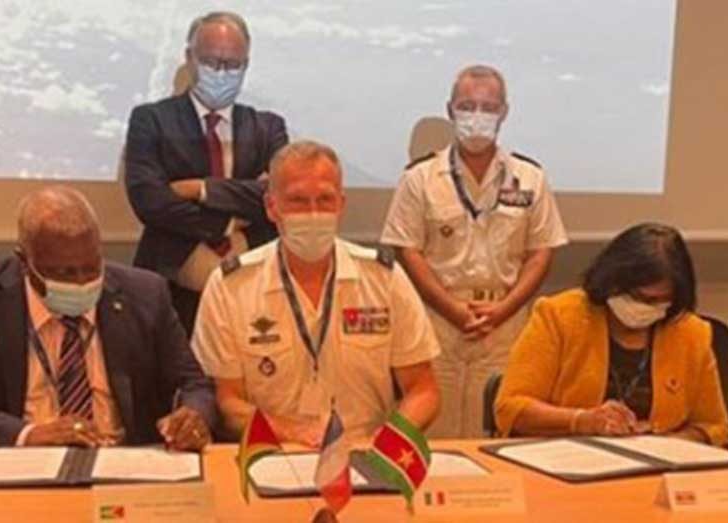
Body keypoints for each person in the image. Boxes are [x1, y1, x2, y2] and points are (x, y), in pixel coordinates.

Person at [0, 187, 216, 521]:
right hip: (11, 463)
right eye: (64, 273)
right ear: (24, 260)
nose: (82, 282)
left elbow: (194, 383)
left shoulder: (146, 292)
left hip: (124, 466)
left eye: (92, 267)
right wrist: (27, 433)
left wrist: (194, 414)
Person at [194, 141, 440, 446]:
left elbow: (423, 390)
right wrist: (294, 434)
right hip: (273, 456)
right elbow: (228, 403)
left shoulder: (384, 278)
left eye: (324, 200)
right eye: (297, 201)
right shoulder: (231, 286)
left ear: (341, 204)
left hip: (365, 455)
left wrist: (387, 443)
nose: (313, 213)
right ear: (272, 207)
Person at [381, 64, 568, 438]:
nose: (477, 117)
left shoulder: (530, 177)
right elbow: (408, 250)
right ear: (451, 110)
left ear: (505, 112)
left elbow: (541, 251)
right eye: (467, 106)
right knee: (434, 432)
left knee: (497, 431)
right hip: (437, 320)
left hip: (506, 321)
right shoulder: (419, 178)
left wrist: (503, 310)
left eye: (488, 107)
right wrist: (452, 309)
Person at [125, 11, 288, 335]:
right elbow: (150, 201)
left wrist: (201, 190)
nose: (222, 73)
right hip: (172, 286)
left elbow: (279, 198)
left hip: (255, 286)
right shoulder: (151, 120)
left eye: (233, 65)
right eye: (212, 62)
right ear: (189, 58)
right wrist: (229, 221)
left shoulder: (268, 127)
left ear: (246, 64)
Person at [495, 223, 728, 445]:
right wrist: (580, 421)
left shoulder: (691, 333)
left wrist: (668, 443)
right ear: (612, 282)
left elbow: (715, 426)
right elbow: (510, 409)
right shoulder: (559, 316)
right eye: (639, 296)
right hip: (566, 463)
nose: (646, 307)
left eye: (660, 300)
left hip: (656, 472)